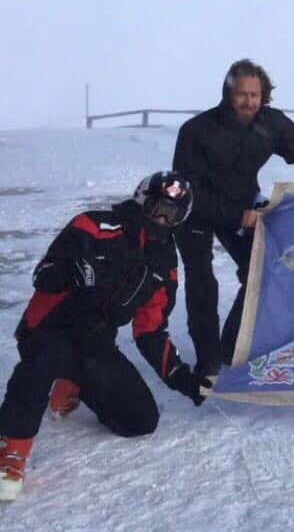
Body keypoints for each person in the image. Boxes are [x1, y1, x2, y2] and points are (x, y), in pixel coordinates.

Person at [0, 172, 211, 501]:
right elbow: (42, 275)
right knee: (43, 360)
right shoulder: (92, 226)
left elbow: (150, 330)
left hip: (95, 342)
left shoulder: (165, 265)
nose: (160, 218)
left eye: (171, 214)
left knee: (140, 420)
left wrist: (181, 377)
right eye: (157, 207)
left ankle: (71, 382)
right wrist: (70, 274)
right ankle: (12, 450)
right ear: (142, 200)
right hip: (49, 328)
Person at [173, 59, 294, 379]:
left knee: (264, 271)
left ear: (263, 94)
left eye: (255, 94)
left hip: (244, 205)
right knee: (203, 283)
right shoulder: (197, 130)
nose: (249, 101)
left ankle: (233, 346)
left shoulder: (272, 124)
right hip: (194, 211)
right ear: (228, 93)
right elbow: (188, 190)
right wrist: (234, 215)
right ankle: (208, 359)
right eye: (242, 94)